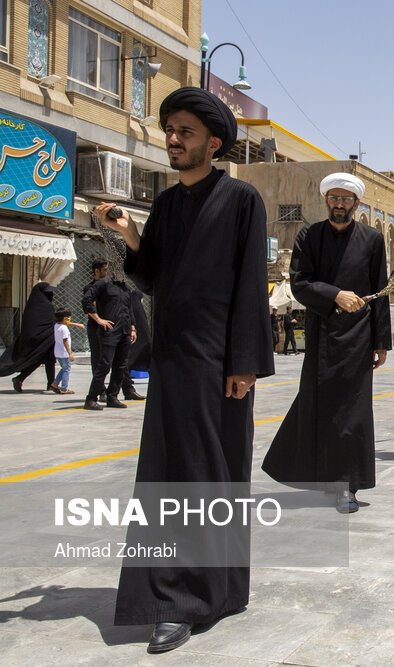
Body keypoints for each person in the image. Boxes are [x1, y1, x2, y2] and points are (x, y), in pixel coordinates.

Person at [96, 86, 273, 653]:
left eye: (185, 132)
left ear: (212, 142)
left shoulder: (242, 200)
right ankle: (177, 595)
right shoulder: (168, 206)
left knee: (211, 475)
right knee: (170, 477)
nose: (172, 140)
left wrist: (245, 362)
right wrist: (128, 232)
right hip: (173, 362)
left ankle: (207, 595)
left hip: (220, 363)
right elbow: (150, 276)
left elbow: (250, 285)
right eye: (169, 130)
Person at [262, 172, 391, 513]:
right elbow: (300, 284)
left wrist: (382, 342)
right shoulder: (309, 235)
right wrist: (335, 295)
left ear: (356, 204)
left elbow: (381, 291)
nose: (339, 204)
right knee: (318, 408)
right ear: (326, 201)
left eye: (345, 199)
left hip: (359, 338)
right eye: (334, 198)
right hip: (322, 339)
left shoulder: (373, 239)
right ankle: (324, 478)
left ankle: (347, 485)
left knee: (353, 413)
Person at [82, 258, 135, 410]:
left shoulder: (125, 287)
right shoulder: (103, 284)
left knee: (120, 365)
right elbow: (87, 300)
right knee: (104, 364)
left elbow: (129, 309)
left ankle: (113, 397)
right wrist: (98, 319)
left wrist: (132, 328)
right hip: (109, 332)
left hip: (124, 331)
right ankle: (91, 398)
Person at [0, 282, 57, 392]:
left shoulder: (32, 305)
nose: (50, 294)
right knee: (43, 359)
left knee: (47, 359)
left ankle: (48, 383)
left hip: (44, 338)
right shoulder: (45, 306)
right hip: (41, 339)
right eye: (48, 292)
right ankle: (22, 379)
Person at [51, 309, 78, 394]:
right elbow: (65, 340)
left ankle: (55, 384)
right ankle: (64, 388)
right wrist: (70, 353)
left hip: (57, 352)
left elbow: (67, 324)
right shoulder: (64, 328)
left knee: (64, 368)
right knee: (66, 370)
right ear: (65, 318)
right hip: (64, 352)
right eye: (68, 317)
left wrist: (78, 325)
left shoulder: (56, 325)